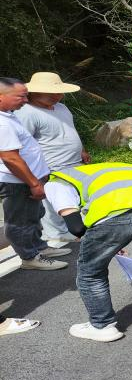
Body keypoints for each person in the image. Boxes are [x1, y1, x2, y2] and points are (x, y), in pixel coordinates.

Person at [44, 162, 132, 342]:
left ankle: (102, 325)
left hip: (115, 217)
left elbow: (76, 227)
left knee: (91, 272)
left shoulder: (56, 182)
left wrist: (106, 241)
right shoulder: (121, 168)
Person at [0, 77, 70, 273]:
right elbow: (11, 158)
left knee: (33, 215)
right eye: (20, 96)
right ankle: (29, 257)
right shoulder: (2, 123)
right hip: (17, 181)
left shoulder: (8, 115)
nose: (25, 99)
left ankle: (38, 247)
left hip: (27, 178)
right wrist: (33, 183)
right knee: (19, 221)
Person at [15, 72, 90, 243]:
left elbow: (71, 129)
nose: (58, 96)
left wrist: (82, 149)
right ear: (35, 92)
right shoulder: (27, 113)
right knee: (51, 201)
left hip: (74, 161)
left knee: (73, 196)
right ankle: (55, 234)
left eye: (59, 92)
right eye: (52, 93)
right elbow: (24, 143)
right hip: (51, 164)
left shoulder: (62, 108)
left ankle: (71, 227)